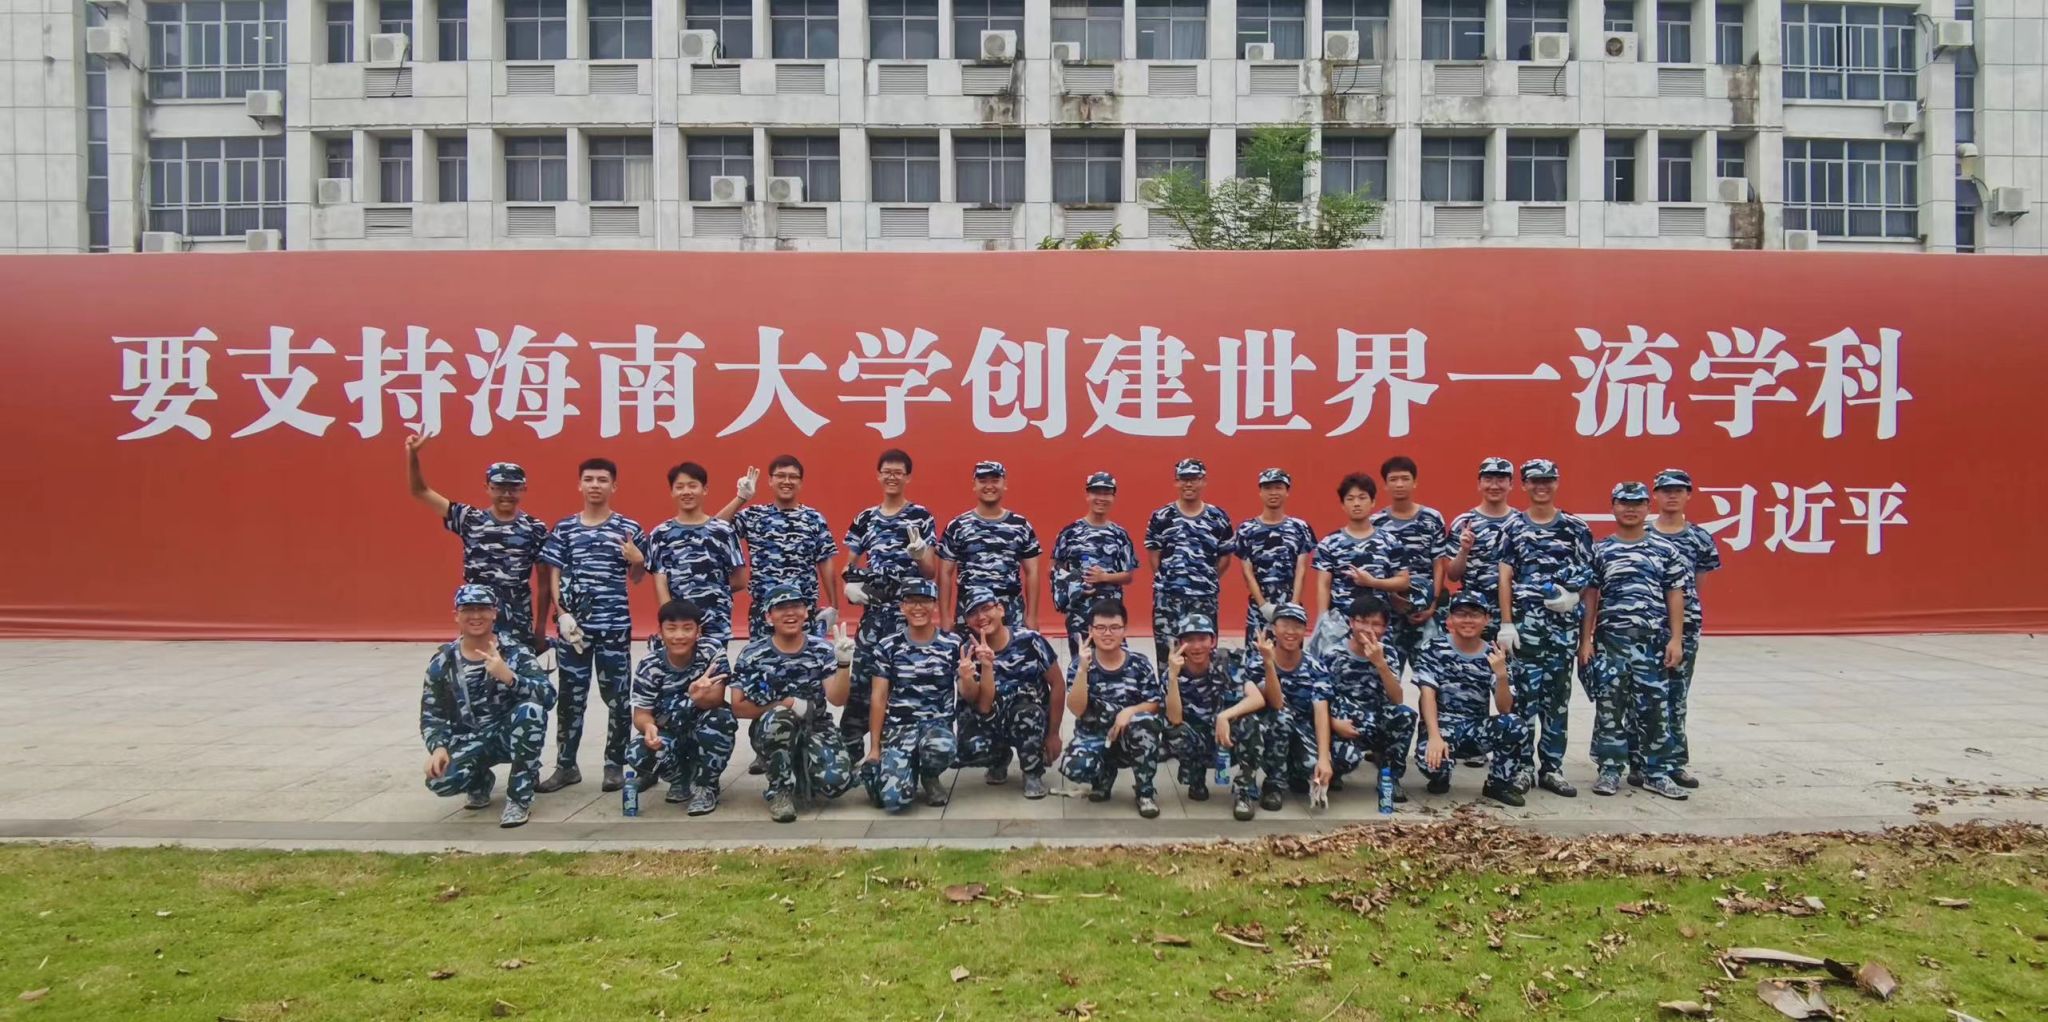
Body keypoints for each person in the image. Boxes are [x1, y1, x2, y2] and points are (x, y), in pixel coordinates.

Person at [536, 458, 645, 794]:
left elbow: (638, 577)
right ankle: (566, 766)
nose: (595, 485)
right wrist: (561, 614)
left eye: (602, 479)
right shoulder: (565, 529)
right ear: (579, 485)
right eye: (589, 479)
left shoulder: (628, 527)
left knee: (618, 699)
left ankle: (615, 765)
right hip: (574, 631)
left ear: (614, 486)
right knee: (570, 698)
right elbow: (554, 574)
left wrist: (637, 559)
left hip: (614, 627)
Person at [1580, 482, 1691, 800]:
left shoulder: (1664, 550)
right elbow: (1591, 596)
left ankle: (1656, 772)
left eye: (1637, 503)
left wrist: (1676, 639)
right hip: (1611, 642)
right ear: (1613, 507)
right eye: (1623, 503)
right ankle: (1610, 769)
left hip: (1652, 643)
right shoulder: (1601, 550)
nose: (1630, 509)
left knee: (1655, 708)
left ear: (1647, 507)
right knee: (1610, 707)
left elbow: (1675, 594)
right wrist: (1586, 640)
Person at [1494, 458, 1594, 798]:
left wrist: (1573, 597)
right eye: (1535, 481)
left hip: (1562, 630)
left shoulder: (1575, 528)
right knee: (1524, 700)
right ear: (1524, 485)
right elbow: (1505, 577)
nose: (1542, 486)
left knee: (1557, 702)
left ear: (1556, 482)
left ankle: (1552, 768)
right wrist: (1506, 622)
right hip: (1526, 629)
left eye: (1548, 480)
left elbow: (1588, 576)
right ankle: (1523, 767)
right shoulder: (1513, 527)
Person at [420, 585, 556, 829]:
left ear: (494, 613)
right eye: (468, 610)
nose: (476, 616)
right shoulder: (442, 662)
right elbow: (432, 716)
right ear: (456, 615)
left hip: (507, 735)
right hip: (470, 739)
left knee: (531, 711)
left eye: (482, 609)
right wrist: (438, 747)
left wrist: (509, 677)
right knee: (439, 781)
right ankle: (479, 780)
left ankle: (519, 798)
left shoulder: (515, 652)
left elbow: (548, 697)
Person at [404, 434, 550, 651]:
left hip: (517, 615)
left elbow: (545, 583)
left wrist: (540, 627)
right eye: (499, 487)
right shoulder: (469, 518)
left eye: (513, 488)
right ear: (487, 487)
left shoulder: (535, 528)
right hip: (477, 612)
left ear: (523, 489)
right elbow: (420, 491)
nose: (506, 494)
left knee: (515, 668)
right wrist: (413, 455)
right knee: (475, 665)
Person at [841, 449, 942, 756]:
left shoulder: (921, 516)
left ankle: (897, 748)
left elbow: (931, 571)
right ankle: (851, 750)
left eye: (898, 472)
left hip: (908, 615)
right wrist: (850, 585)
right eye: (887, 471)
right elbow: (849, 564)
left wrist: (919, 554)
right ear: (878, 475)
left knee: (904, 681)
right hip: (874, 615)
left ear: (908, 477)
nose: (892, 477)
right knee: (862, 682)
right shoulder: (865, 518)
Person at [861, 580, 993, 811]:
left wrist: (967, 677)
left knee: (941, 747)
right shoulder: (888, 646)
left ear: (934, 605)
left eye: (924, 601)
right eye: (911, 601)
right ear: (902, 607)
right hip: (900, 729)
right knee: (893, 802)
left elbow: (971, 696)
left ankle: (929, 775)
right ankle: (904, 768)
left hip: (936, 726)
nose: (918, 607)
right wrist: (874, 748)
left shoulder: (952, 644)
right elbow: (879, 697)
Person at [731, 584, 858, 824]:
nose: (790, 613)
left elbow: (837, 699)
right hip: (772, 729)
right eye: (781, 608)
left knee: (836, 784)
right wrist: (785, 703)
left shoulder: (821, 649)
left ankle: (801, 766)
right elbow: (738, 707)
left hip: (815, 725)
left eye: (796, 606)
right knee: (781, 717)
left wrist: (843, 664)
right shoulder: (752, 654)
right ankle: (780, 790)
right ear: (769, 616)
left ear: (806, 612)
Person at [1413, 591, 1532, 807]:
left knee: (1515, 725)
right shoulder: (1433, 648)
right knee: (1433, 764)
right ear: (1450, 618)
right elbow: (1427, 695)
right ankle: (1440, 777)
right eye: (1461, 614)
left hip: (1476, 728)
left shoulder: (1494, 653)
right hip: (1442, 727)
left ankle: (1498, 784)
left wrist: (1501, 675)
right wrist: (1434, 736)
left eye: (1475, 614)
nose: (1468, 620)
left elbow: (1505, 708)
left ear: (1487, 619)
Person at [627, 598, 739, 817]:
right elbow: (641, 714)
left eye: (687, 628)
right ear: (660, 631)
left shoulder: (710, 651)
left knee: (722, 719)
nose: (679, 636)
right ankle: (681, 779)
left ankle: (706, 786)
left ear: (698, 631)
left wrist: (697, 698)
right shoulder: (650, 665)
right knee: (636, 751)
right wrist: (648, 728)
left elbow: (716, 698)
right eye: (671, 629)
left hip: (701, 726)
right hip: (668, 729)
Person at [953, 587, 1066, 799]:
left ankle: (1032, 771)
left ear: (1001, 610)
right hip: (990, 718)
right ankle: (998, 757)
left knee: (1026, 712)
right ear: (967, 621)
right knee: (965, 751)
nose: (981, 617)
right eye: (973, 613)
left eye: (986, 608)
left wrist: (1053, 734)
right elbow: (982, 706)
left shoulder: (1030, 640)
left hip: (1027, 719)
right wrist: (972, 675)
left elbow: (1058, 684)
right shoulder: (967, 651)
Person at [623, 462, 746, 653]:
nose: (686, 492)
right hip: (678, 629)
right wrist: (672, 621)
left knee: (714, 672)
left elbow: (740, 580)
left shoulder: (724, 531)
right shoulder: (660, 534)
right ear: (672, 492)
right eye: (679, 487)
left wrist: (710, 591)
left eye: (692, 485)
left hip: (715, 626)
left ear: (704, 489)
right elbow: (661, 583)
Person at [1061, 598, 1167, 818]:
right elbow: (1077, 709)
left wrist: (1129, 712)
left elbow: (1155, 703)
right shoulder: (1080, 664)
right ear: (1091, 631)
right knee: (1074, 766)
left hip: (1130, 734)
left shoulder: (1139, 663)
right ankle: (1103, 778)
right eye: (1100, 628)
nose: (1107, 633)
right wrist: (1082, 671)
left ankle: (1145, 792)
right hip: (1097, 735)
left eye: (1114, 627)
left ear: (1124, 630)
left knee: (1145, 725)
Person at [718, 455, 840, 641]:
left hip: (802, 610)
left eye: (793, 477)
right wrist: (741, 498)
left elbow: (825, 562)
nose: (787, 481)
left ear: (801, 483)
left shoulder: (814, 519)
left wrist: (834, 606)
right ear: (770, 480)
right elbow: (714, 530)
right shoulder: (754, 515)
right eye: (781, 476)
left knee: (805, 659)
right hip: (764, 610)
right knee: (762, 658)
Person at [1649, 468, 1719, 789]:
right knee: (1643, 697)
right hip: (1646, 626)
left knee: (1676, 696)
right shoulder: (1643, 535)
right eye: (1666, 490)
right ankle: (1642, 761)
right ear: (1655, 495)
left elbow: (1698, 584)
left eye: (1679, 490)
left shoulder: (1700, 538)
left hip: (1685, 629)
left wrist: (1682, 625)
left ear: (1689, 495)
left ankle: (1675, 762)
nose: (1672, 495)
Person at [1161, 614, 1265, 820]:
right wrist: (1173, 677)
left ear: (1213, 641)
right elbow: (1174, 718)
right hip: (1197, 740)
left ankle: (1243, 791)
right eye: (1189, 640)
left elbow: (1257, 698)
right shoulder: (1172, 672)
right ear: (1180, 643)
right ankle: (1195, 777)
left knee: (1252, 724)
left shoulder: (1228, 664)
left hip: (1225, 739)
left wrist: (1224, 716)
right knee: (1174, 731)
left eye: (1202, 639)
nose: (1196, 646)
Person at [1310, 473, 1416, 663]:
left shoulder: (1390, 542)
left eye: (1362, 498)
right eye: (1350, 499)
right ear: (1343, 505)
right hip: (1340, 625)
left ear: (1373, 502)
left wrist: (1372, 582)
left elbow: (1403, 581)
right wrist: (1322, 619)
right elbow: (1323, 585)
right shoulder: (1329, 543)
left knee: (1381, 671)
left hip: (1378, 625)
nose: (1356, 504)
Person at [1325, 595, 1420, 803]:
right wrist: (1333, 723)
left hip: (1377, 719)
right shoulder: (1333, 653)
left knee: (1405, 715)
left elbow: (1397, 698)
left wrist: (1380, 664)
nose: (1368, 629)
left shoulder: (1389, 653)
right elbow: (1319, 700)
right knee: (1345, 759)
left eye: (1376, 624)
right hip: (1345, 722)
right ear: (1352, 622)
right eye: (1362, 621)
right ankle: (1334, 772)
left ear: (1385, 628)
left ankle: (1390, 777)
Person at [1144, 458, 1237, 668]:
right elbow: (1154, 555)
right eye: (1183, 479)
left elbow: (1225, 557)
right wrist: (1169, 581)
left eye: (1194, 479)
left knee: (1202, 657)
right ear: (1176, 482)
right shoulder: (1161, 517)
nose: (1188, 484)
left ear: (1203, 481)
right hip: (1168, 600)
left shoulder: (1218, 517)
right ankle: (1169, 690)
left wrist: (1205, 580)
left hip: (1204, 599)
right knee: (1167, 656)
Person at [1244, 603, 1334, 811]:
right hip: (1268, 728)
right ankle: (1273, 785)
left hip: (1301, 729)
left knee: (1315, 767)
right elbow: (1276, 702)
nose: (1291, 632)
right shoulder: (1257, 663)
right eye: (1284, 625)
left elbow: (1321, 711)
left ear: (1305, 631)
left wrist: (1324, 758)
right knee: (1282, 717)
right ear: (1273, 629)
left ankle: (1294, 773)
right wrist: (1269, 663)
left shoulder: (1315, 667)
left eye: (1297, 626)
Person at [937, 461, 1043, 632]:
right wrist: (945, 617)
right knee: (971, 650)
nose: (989, 486)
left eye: (995, 480)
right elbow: (944, 573)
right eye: (982, 481)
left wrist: (1032, 616)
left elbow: (1032, 572)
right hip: (970, 610)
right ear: (974, 485)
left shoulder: (1020, 525)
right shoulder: (958, 526)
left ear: (1004, 484)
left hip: (1010, 611)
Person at [1050, 471, 1140, 661]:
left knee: (1115, 663)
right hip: (1079, 614)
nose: (1101, 498)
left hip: (1111, 615)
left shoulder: (1119, 534)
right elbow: (1055, 570)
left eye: (1107, 493)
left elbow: (1128, 575)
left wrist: (1104, 577)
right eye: (1096, 492)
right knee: (1080, 664)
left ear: (1113, 497)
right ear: (1087, 495)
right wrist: (1074, 586)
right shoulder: (1070, 532)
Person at [1371, 456, 1451, 666]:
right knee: (1388, 671)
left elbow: (1439, 562)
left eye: (1405, 478)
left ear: (1415, 482)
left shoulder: (1432, 518)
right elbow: (1378, 569)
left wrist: (1432, 603)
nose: (1399, 484)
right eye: (1393, 479)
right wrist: (1393, 598)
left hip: (1427, 609)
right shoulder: (1376, 522)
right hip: (1390, 611)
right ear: (1385, 484)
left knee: (1430, 673)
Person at [1234, 468, 1319, 642]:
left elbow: (1301, 569)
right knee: (1257, 655)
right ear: (1260, 492)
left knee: (1290, 654)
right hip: (1259, 608)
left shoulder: (1300, 527)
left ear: (1287, 492)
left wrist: (1294, 606)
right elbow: (1247, 572)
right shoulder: (1246, 529)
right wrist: (1263, 605)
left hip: (1290, 604)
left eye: (1278, 487)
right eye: (1267, 488)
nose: (1273, 493)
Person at [1445, 457, 1521, 635]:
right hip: (1474, 614)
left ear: (1511, 484)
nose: (1494, 486)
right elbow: (1452, 575)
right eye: (1488, 479)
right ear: (1479, 484)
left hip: (1514, 614)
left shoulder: (1521, 523)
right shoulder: (1463, 523)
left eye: (1501, 480)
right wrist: (1464, 550)